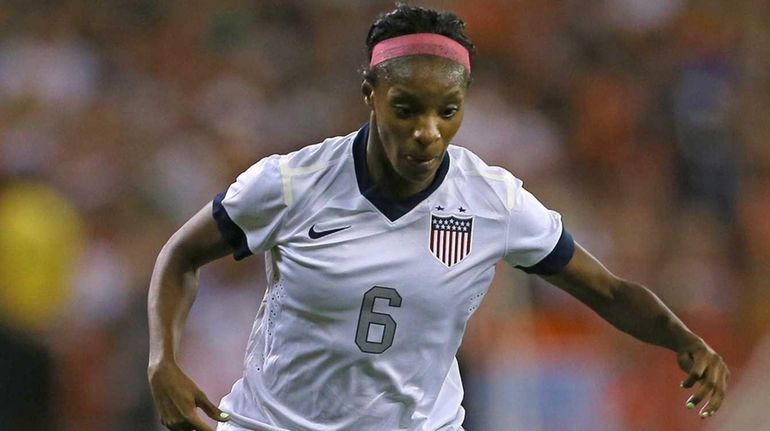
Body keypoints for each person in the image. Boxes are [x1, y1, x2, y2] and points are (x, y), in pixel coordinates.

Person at [147, 5, 729, 431]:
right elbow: (180, 257)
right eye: (407, 109)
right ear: (370, 92)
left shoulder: (493, 202)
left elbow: (607, 289)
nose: (428, 131)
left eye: (447, 111)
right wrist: (162, 360)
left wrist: (681, 338)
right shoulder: (290, 183)